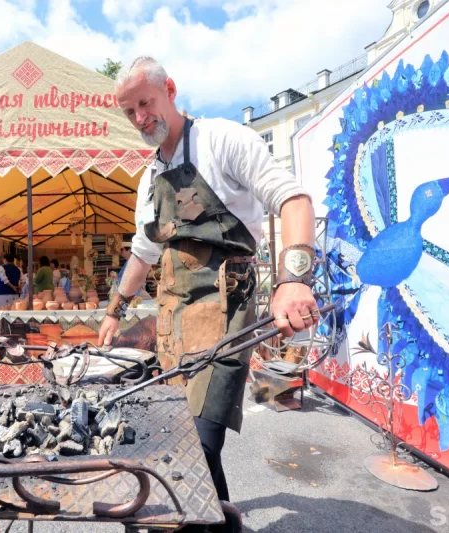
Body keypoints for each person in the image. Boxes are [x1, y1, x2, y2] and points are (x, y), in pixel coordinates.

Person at [98, 58, 320, 516]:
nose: (141, 117)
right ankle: (216, 519)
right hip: (174, 319)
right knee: (180, 434)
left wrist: (293, 281)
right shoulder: (149, 179)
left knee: (198, 437)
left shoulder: (223, 139)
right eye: (130, 112)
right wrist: (114, 310)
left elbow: (294, 200)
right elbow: (143, 253)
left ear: (170, 90)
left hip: (226, 312)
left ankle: (201, 519)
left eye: (146, 102)